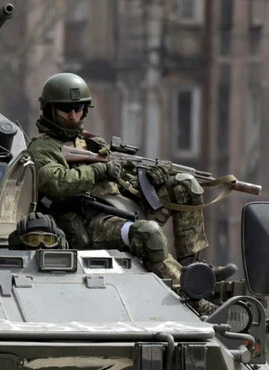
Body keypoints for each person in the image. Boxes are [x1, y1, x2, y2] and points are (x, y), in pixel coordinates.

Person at [25, 72, 236, 314]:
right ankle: (193, 296)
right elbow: (58, 184)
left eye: (79, 108)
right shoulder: (42, 149)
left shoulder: (92, 143)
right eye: (65, 109)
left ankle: (192, 267)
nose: (74, 115)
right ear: (50, 110)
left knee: (185, 185)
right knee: (148, 233)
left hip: (123, 208)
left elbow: (122, 180)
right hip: (91, 222)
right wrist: (98, 170)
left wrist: (152, 177)